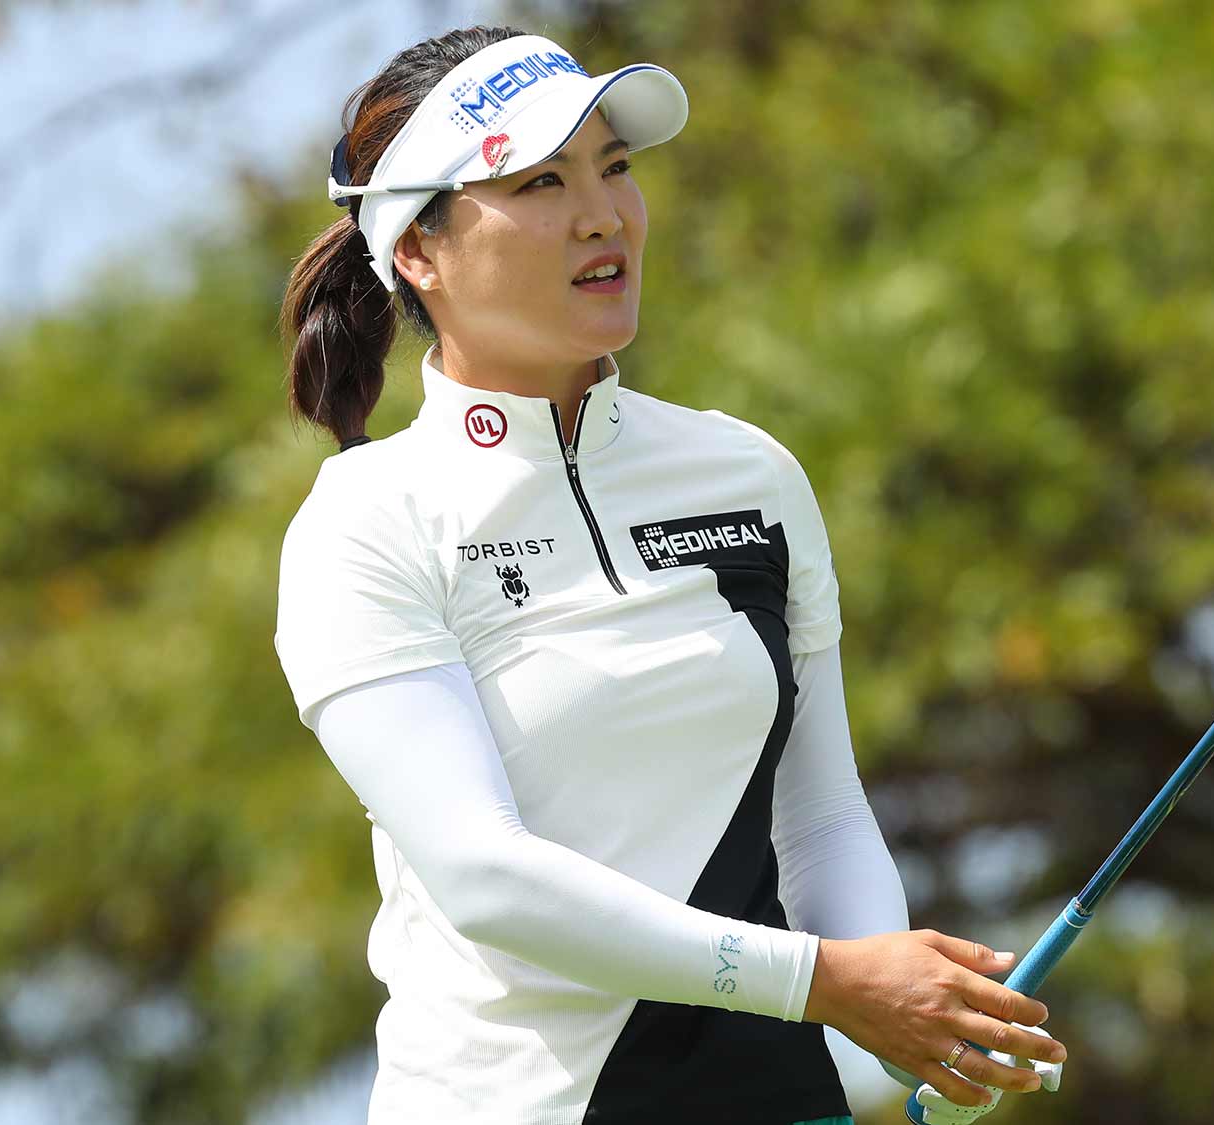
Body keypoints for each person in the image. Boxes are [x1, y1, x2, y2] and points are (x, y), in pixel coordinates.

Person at [272, 25, 1066, 1125]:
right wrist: (832, 985)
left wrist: (924, 1016)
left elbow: (821, 814)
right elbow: (483, 875)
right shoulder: (365, 522)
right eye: (540, 180)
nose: (602, 213)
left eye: (615, 167)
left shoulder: (745, 473)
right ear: (417, 251)